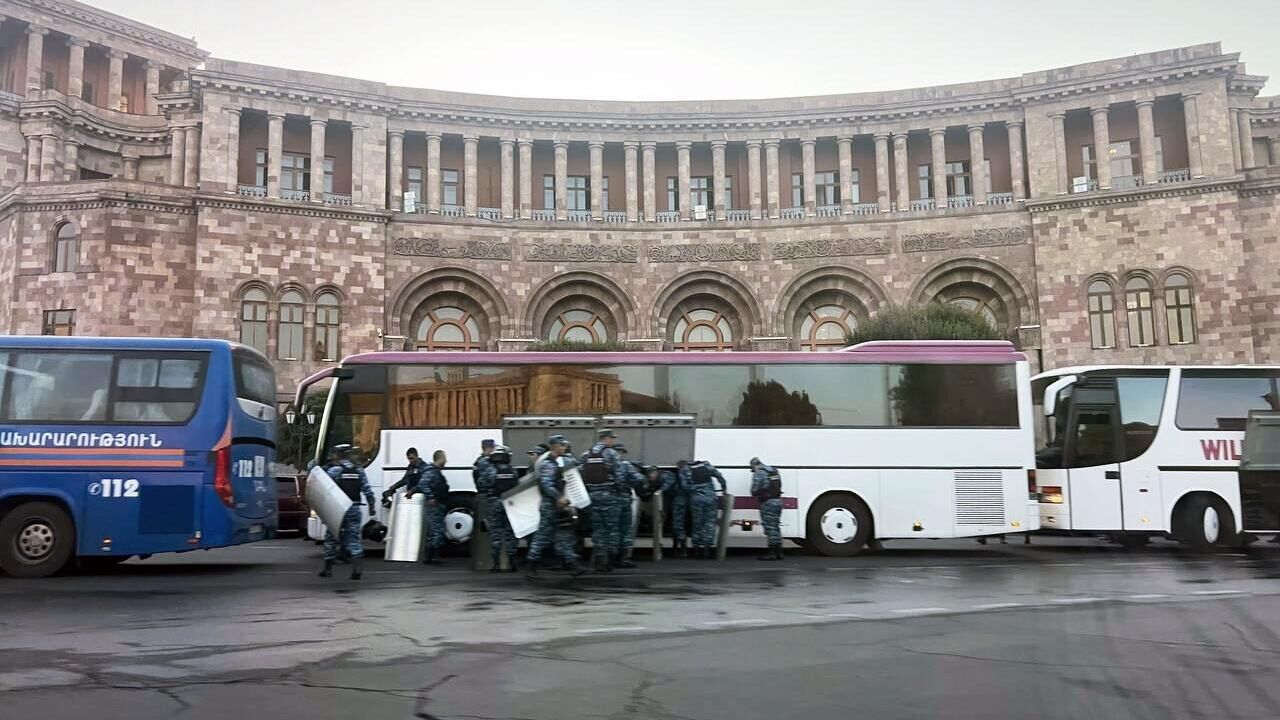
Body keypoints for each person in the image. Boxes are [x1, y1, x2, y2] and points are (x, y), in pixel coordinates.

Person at [526, 434, 583, 579]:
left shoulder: (562, 461)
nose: (565, 447)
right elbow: (546, 484)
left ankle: (573, 565)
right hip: (550, 506)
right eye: (562, 445)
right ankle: (531, 567)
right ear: (555, 446)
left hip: (559, 507)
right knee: (542, 537)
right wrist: (559, 497)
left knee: (563, 537)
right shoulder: (549, 464)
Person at [320, 444, 376, 580]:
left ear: (339, 455)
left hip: (338, 509)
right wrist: (371, 506)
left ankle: (327, 570)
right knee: (354, 538)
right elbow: (367, 490)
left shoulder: (335, 471)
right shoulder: (359, 471)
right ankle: (357, 570)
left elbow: (324, 489)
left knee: (331, 537)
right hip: (354, 508)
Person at [475, 444, 520, 572]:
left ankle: (495, 564)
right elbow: (516, 485)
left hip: (494, 502)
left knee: (495, 532)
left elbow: (481, 484)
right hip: (510, 503)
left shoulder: (491, 470)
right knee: (510, 532)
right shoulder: (513, 470)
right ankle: (512, 562)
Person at [580, 429, 621, 572]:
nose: (613, 441)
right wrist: (619, 491)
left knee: (598, 530)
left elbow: (581, 474)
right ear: (606, 438)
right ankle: (610, 560)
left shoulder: (586, 454)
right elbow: (620, 474)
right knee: (611, 528)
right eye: (612, 438)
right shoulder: (611, 454)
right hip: (609, 496)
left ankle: (599, 560)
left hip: (592, 496)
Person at [407, 449, 449, 565]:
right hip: (434, 506)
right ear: (440, 459)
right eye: (444, 459)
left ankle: (429, 557)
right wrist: (431, 497)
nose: (446, 461)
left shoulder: (434, 471)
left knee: (434, 531)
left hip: (437, 505)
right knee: (437, 531)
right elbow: (423, 484)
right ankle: (431, 556)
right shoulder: (431, 471)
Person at [612, 443, 646, 568]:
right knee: (626, 530)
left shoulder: (604, 464)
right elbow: (638, 479)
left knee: (611, 530)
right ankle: (623, 559)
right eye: (621, 452)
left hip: (608, 501)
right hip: (624, 500)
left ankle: (608, 558)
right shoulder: (625, 465)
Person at [687, 459, 727, 559]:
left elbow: (685, 486)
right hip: (710, 498)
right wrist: (724, 487)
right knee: (709, 523)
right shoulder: (706, 466)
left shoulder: (687, 469)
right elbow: (719, 476)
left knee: (697, 523)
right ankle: (706, 550)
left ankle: (696, 550)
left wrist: (693, 491)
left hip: (696, 499)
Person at [750, 457, 784, 561]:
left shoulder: (759, 473)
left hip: (768, 503)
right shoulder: (773, 470)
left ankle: (772, 553)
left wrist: (758, 492)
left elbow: (754, 490)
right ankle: (779, 552)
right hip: (778, 501)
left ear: (754, 466)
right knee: (776, 526)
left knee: (770, 528)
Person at [669, 460, 692, 557]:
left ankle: (680, 549)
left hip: (679, 501)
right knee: (684, 524)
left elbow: (684, 486)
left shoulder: (681, 472)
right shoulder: (691, 473)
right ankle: (683, 549)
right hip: (689, 501)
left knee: (677, 525)